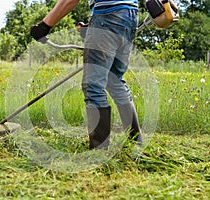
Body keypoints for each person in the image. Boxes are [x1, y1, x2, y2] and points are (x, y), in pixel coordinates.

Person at [30, 0, 142, 150]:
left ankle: (99, 151)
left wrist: (44, 26)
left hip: (107, 15)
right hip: (129, 16)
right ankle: (136, 141)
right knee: (114, 79)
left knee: (93, 85)